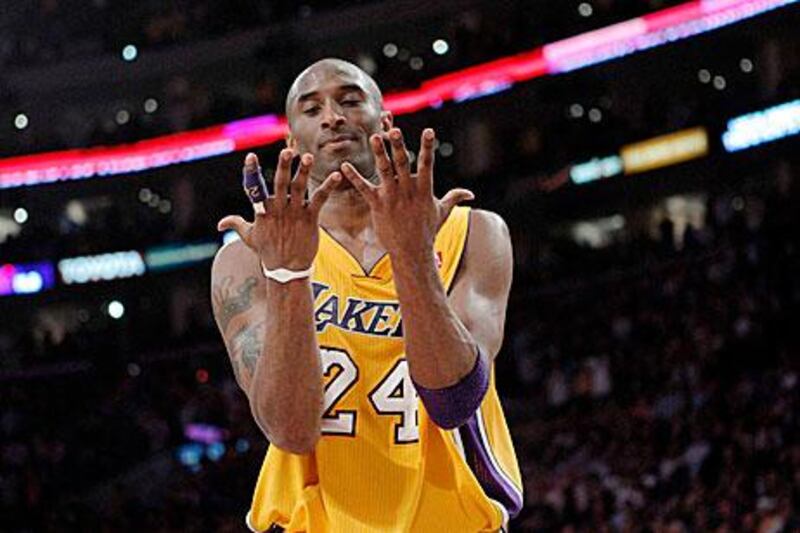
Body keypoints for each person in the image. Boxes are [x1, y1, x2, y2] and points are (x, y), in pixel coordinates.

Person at [211, 58, 522, 533]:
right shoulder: (249, 261)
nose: (333, 116)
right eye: (311, 109)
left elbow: (454, 400)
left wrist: (414, 255)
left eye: (350, 100)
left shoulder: (473, 232)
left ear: (386, 121)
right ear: (292, 144)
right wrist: (288, 273)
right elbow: (291, 430)